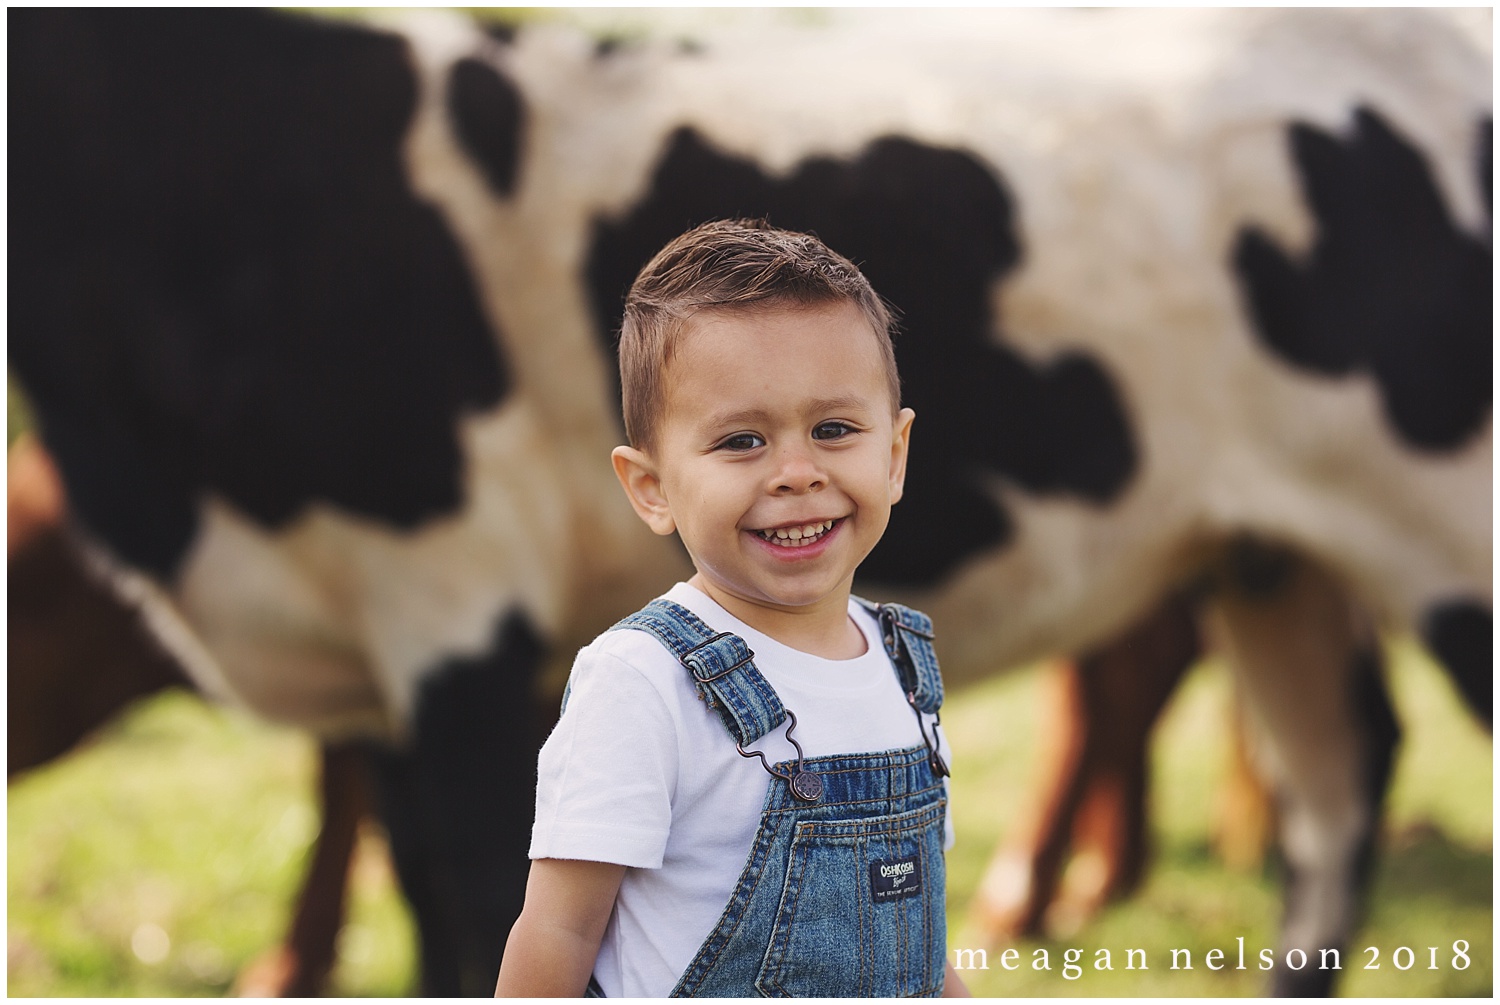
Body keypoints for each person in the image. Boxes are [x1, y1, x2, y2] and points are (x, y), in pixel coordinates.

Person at [496, 219, 969, 998]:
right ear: (651, 488)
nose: (795, 471)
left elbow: (921, 939)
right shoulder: (644, 681)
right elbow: (559, 929)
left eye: (834, 429)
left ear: (893, 455)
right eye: (742, 440)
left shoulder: (903, 667)